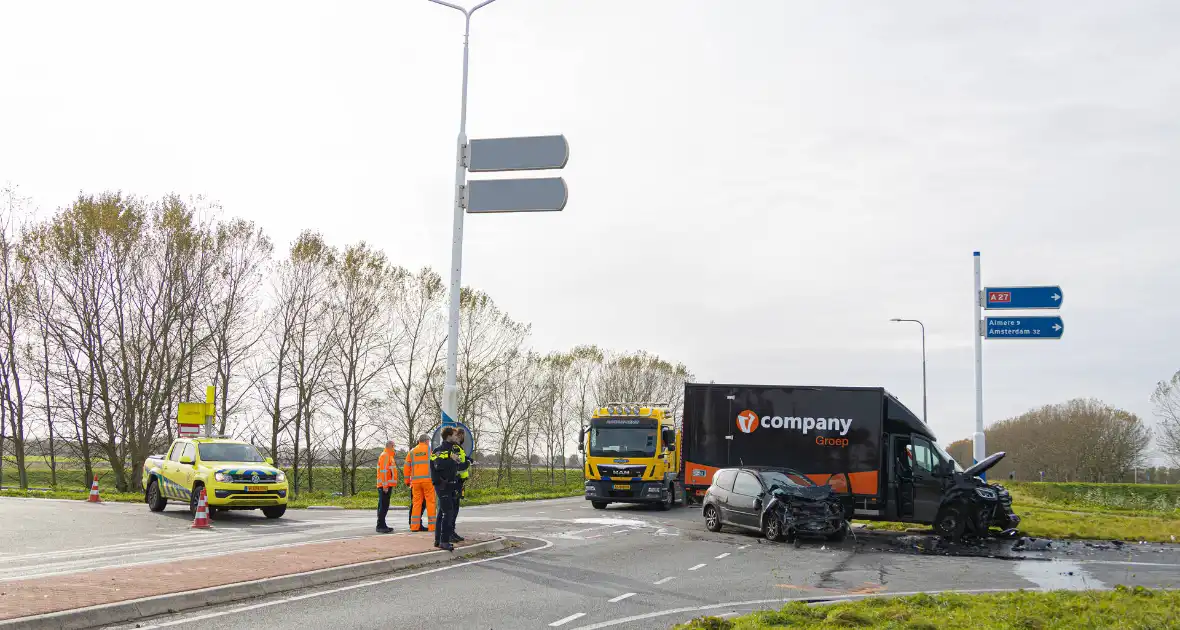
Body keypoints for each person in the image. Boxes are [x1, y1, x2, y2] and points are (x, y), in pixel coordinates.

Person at [429, 427, 469, 551]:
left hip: (451, 485)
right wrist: (450, 459)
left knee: (442, 512)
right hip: (442, 485)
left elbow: (455, 467)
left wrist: (464, 463)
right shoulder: (439, 450)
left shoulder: (452, 450)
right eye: (454, 435)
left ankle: (438, 540)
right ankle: (444, 541)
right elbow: (438, 465)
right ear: (448, 436)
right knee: (448, 512)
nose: (456, 437)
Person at [403, 434, 436, 532]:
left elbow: (406, 467)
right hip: (428, 481)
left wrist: (407, 481)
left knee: (416, 503)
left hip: (416, 482)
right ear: (426, 441)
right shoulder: (430, 450)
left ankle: (414, 527)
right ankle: (432, 527)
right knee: (430, 502)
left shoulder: (412, 452)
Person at [451, 429, 474, 542]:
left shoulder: (459, 448)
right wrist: (468, 463)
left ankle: (452, 531)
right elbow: (459, 465)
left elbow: (461, 459)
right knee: (453, 508)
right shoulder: (455, 448)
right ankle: (450, 532)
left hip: (459, 481)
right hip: (456, 481)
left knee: (455, 508)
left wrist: (468, 459)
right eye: (461, 436)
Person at [375, 439, 399, 534]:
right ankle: (380, 525)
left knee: (384, 505)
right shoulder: (385, 455)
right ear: (390, 446)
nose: (394, 448)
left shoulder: (388, 456)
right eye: (393, 446)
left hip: (386, 485)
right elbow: (384, 472)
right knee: (383, 505)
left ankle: (382, 524)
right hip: (384, 485)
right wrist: (385, 485)